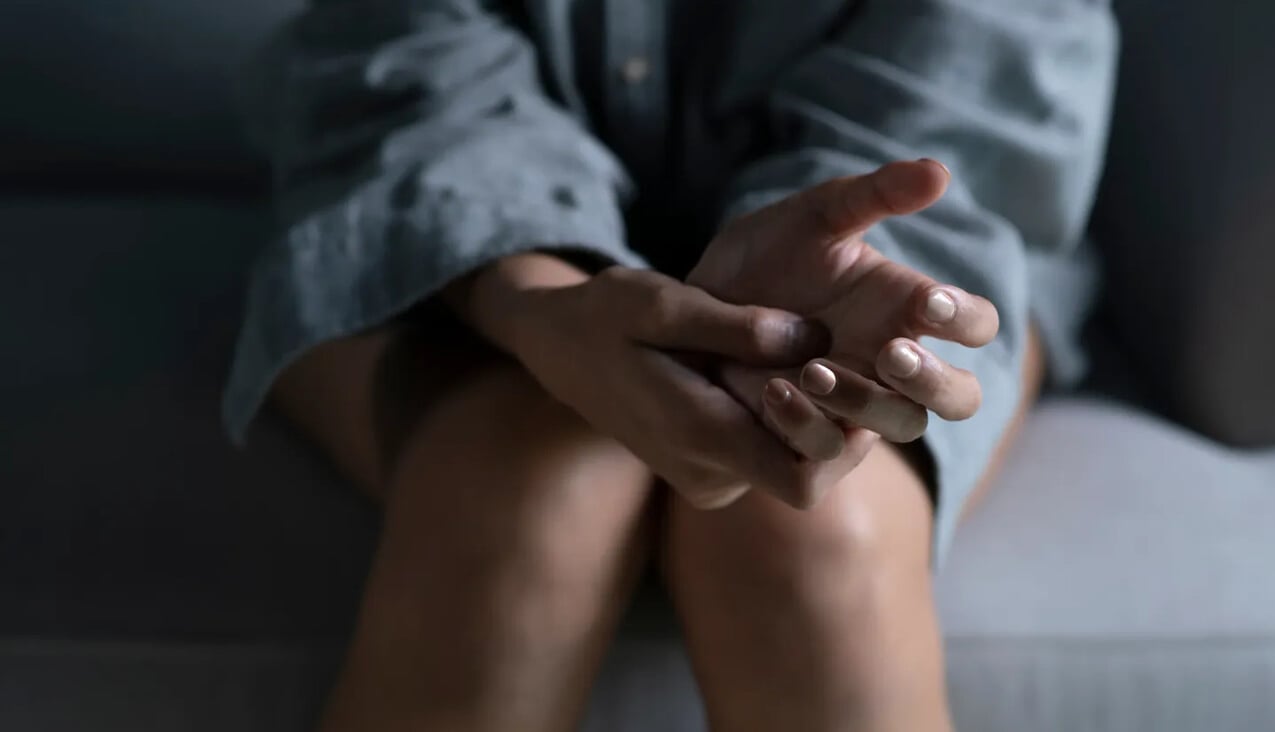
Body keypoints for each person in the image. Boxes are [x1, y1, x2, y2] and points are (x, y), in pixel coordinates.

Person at [223, 0, 1117, 730]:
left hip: (915, 243)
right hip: (440, 232)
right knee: (530, 497)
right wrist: (534, 298)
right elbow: (408, 62)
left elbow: (965, 93)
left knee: (810, 531)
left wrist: (835, 295)